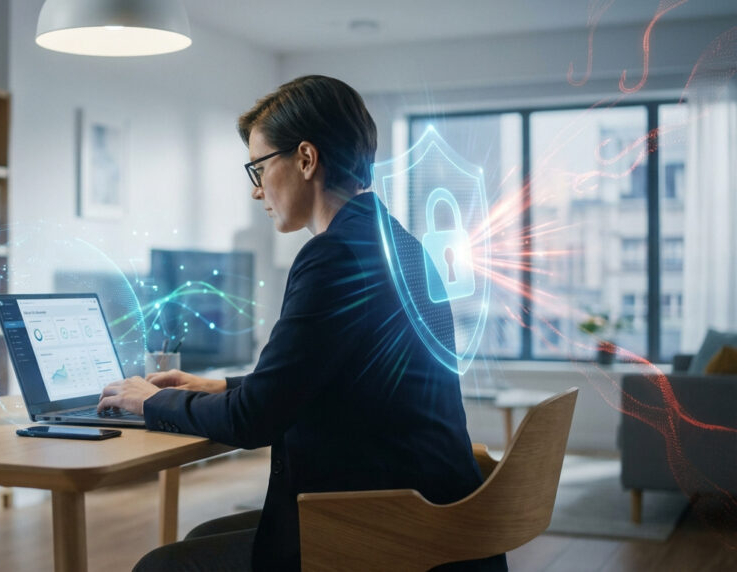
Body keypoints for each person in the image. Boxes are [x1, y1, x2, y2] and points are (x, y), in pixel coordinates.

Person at [98, 75, 507, 572]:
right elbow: (323, 377)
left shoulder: (334, 255)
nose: (256, 192)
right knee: (206, 535)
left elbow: (255, 420)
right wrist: (218, 384)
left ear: (306, 159)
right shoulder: (395, 244)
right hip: (441, 518)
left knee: (160, 567)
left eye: (258, 168)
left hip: (396, 534)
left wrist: (152, 402)